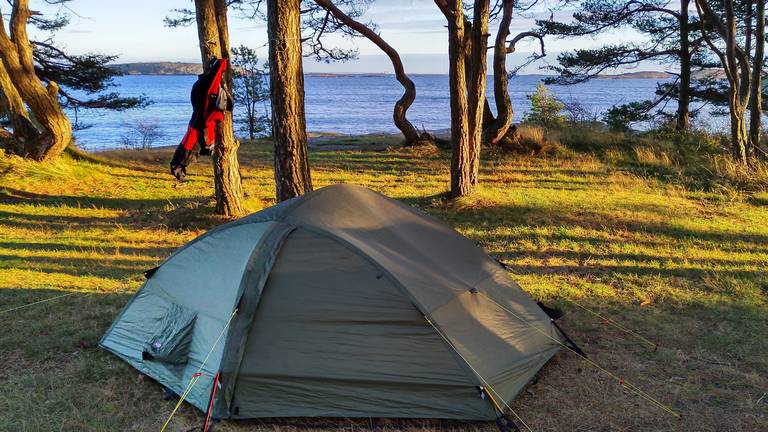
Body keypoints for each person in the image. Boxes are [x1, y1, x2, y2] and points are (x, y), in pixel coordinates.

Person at [170, 58, 233, 181]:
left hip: (200, 122)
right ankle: (178, 166)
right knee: (191, 142)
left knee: (191, 141)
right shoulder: (207, 83)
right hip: (201, 122)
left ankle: (178, 166)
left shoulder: (201, 84)